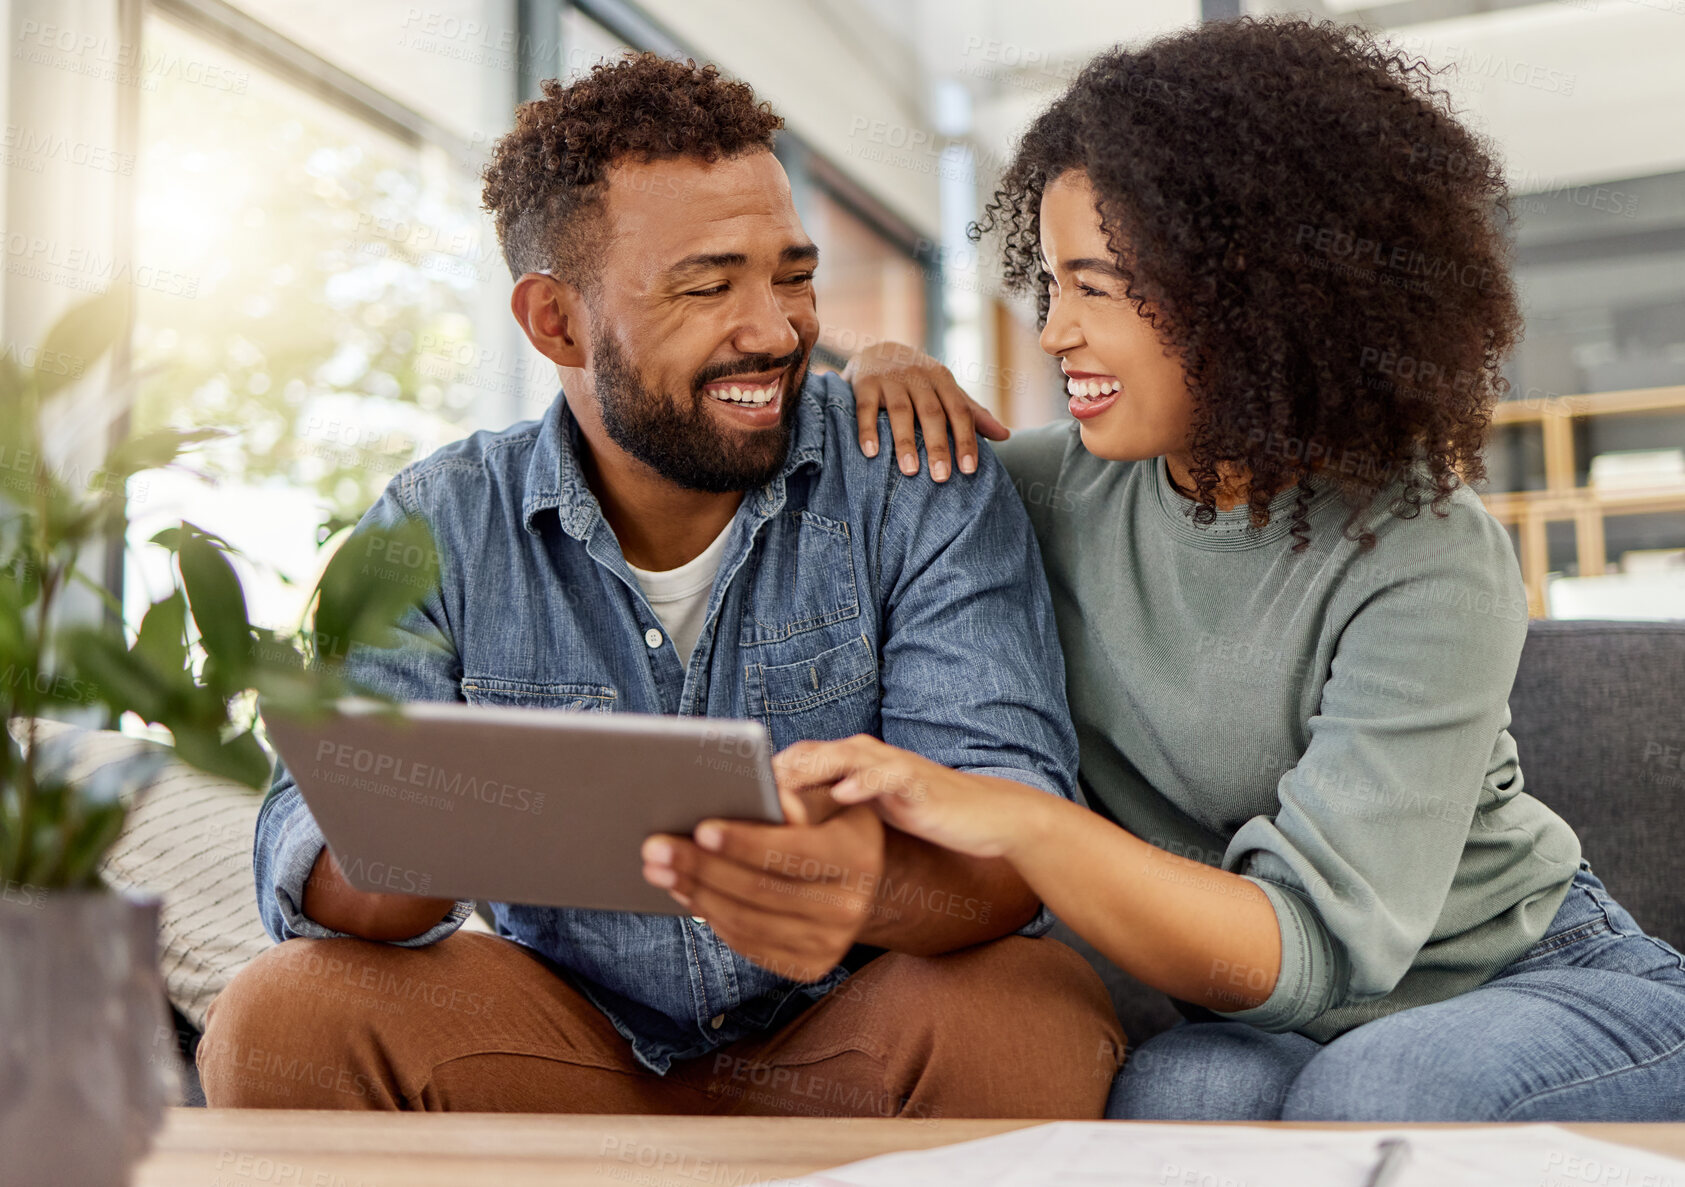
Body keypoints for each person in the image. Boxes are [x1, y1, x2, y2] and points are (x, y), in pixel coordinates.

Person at [196, 53, 1122, 1118]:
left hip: (848, 1031)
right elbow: (309, 864)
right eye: (707, 284)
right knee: (286, 1014)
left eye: (791, 274)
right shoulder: (436, 520)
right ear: (555, 323)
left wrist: (855, 887)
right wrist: (439, 834)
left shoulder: (911, 477)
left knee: (1027, 1004)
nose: (774, 330)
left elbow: (1012, 838)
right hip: (571, 1050)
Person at [823, 17, 1685, 1121]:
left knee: (1380, 1085)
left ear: (1258, 294)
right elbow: (840, 479)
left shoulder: (1423, 548)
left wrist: (1024, 822)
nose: (1053, 334)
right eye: (1051, 284)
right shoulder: (1037, 494)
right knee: (1177, 1094)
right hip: (1265, 1021)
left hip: (1533, 979)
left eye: (1099, 287)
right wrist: (881, 367)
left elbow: (1312, 944)